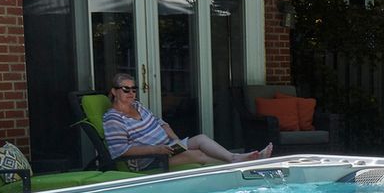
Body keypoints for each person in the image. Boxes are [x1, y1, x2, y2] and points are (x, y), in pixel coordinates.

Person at [101, 73, 271, 167]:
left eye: (133, 89)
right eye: (125, 89)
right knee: (198, 154)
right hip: (150, 159)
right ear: (114, 92)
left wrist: (175, 140)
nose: (131, 93)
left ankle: (236, 158)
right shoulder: (113, 119)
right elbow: (121, 150)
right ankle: (241, 162)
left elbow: (161, 123)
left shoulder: (138, 106)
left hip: (168, 147)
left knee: (201, 139)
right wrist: (157, 149)